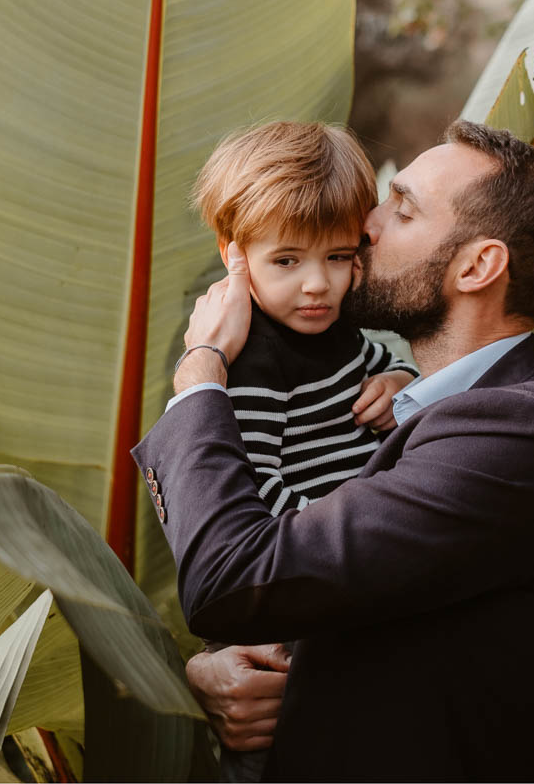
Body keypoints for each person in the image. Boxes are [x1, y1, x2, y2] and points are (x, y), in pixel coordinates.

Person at [134, 121, 534, 781]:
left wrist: (200, 375)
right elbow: (363, 604)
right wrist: (227, 669)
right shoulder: (432, 409)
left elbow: (238, 576)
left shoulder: (524, 434)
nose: (366, 225)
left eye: (403, 207)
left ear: (478, 265)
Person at [186, 121, 417, 780]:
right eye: (286, 260)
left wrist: (401, 380)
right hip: (280, 609)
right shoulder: (252, 359)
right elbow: (250, 495)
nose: (317, 284)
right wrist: (361, 523)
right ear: (236, 255)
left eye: (339, 256)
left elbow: (384, 364)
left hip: (342, 588)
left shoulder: (344, 328)